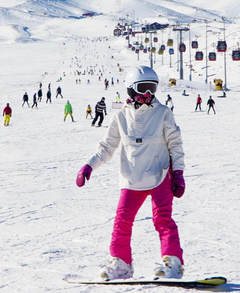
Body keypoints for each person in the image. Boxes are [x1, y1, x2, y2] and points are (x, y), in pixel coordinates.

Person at [75, 65, 186, 280]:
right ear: (130, 89)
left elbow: (175, 144)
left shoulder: (163, 113)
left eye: (152, 89)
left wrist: (178, 173)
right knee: (122, 221)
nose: (148, 94)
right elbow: (107, 147)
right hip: (131, 178)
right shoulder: (120, 117)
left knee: (163, 220)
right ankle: (121, 264)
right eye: (143, 88)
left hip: (160, 175)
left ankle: (172, 263)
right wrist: (89, 166)